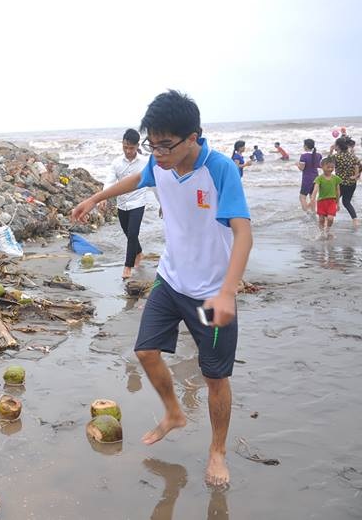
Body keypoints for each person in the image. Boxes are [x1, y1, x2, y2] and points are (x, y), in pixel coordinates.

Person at [71, 90, 252, 488]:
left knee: (214, 376)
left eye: (166, 145)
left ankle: (217, 451)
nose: (159, 154)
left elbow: (243, 234)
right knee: (145, 350)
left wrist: (228, 291)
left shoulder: (220, 169)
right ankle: (173, 412)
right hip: (171, 280)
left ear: (194, 137)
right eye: (153, 144)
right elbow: (139, 177)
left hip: (211, 292)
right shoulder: (160, 162)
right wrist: (95, 197)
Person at [100, 129, 150, 279]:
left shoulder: (145, 162)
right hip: (122, 203)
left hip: (138, 202)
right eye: (125, 147)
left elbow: (154, 185)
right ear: (122, 144)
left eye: (131, 148)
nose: (128, 151)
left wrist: (163, 203)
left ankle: (127, 266)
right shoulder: (116, 163)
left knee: (133, 233)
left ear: (137, 146)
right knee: (129, 233)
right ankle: (139, 253)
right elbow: (109, 181)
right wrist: (103, 197)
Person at [333, 136, 361, 228]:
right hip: (351, 183)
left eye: (335, 145)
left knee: (332, 200)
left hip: (340, 184)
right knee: (346, 202)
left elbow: (326, 164)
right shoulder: (352, 156)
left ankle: (327, 219)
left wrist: (330, 151)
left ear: (338, 146)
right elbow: (358, 165)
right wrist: (356, 175)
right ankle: (355, 220)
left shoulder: (336, 156)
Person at [313, 157, 342, 239]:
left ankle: (328, 230)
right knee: (321, 219)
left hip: (332, 201)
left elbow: (338, 191)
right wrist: (313, 199)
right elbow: (315, 189)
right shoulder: (319, 178)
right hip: (321, 201)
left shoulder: (336, 178)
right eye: (328, 167)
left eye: (332, 167)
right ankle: (322, 232)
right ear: (322, 167)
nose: (330, 169)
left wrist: (338, 203)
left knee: (330, 218)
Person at [296, 139, 322, 213]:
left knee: (302, 197)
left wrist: (297, 164)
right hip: (316, 177)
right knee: (312, 196)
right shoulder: (318, 155)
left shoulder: (304, 156)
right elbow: (319, 165)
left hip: (307, 178)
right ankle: (313, 212)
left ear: (306, 146)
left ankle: (307, 212)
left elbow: (301, 168)